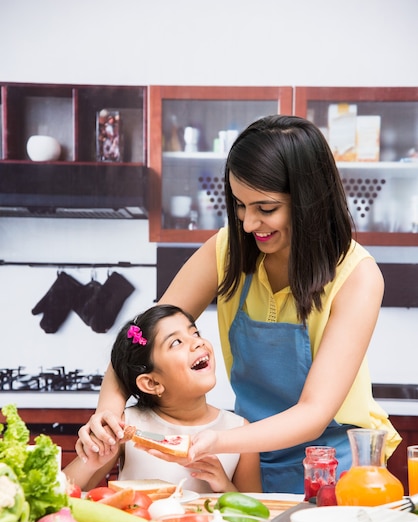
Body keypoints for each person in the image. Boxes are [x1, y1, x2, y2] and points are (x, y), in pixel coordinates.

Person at [77, 114, 401, 494]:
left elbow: (314, 413)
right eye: (240, 205)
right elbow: (140, 336)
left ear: (309, 202)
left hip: (333, 463)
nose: (248, 224)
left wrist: (217, 440)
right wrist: (108, 411)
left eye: (265, 208)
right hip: (252, 454)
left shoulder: (357, 276)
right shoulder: (228, 248)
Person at [65, 304, 261, 493]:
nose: (198, 342)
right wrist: (90, 463)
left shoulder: (240, 430)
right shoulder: (126, 426)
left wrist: (224, 485)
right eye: (176, 342)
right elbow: (60, 491)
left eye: (195, 333)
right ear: (152, 383)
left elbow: (258, 515)